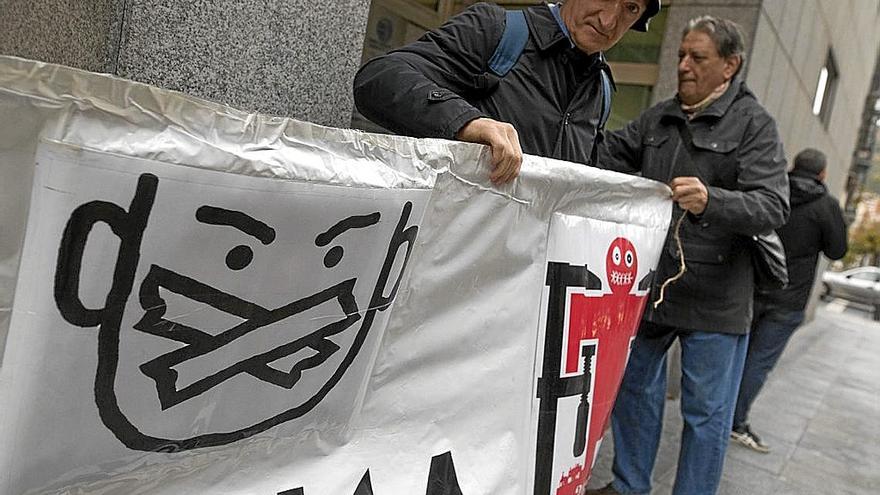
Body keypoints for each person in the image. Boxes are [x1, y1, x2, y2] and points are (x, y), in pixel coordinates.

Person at [587, 16, 790, 495]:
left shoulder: (755, 124)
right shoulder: (659, 117)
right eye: (680, 55)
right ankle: (629, 485)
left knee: (705, 415)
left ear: (729, 66)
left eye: (697, 58)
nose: (683, 66)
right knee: (633, 388)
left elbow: (774, 205)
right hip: (656, 286)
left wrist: (712, 200)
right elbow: (606, 155)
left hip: (719, 296)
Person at [353, 0, 661, 184]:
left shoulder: (601, 89)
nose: (609, 20)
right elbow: (379, 78)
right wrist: (467, 122)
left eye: (630, 7)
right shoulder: (495, 29)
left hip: (529, 275)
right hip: (448, 259)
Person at [730, 148, 848, 453]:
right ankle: (735, 422)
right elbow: (837, 251)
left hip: (753, 287)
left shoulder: (774, 192)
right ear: (822, 174)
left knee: (735, 354)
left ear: (794, 166)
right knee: (759, 363)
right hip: (789, 299)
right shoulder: (826, 206)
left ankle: (722, 414)